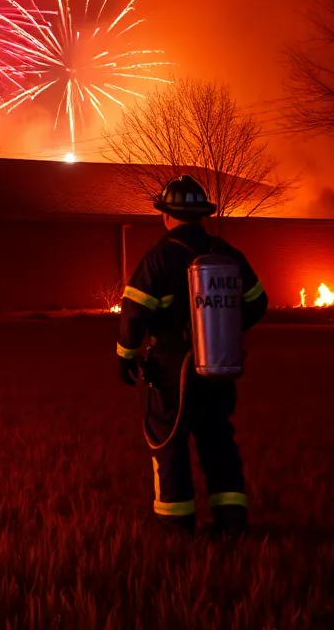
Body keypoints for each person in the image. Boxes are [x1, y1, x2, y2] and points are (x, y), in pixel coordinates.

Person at [116, 175, 268, 536]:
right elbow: (258, 301)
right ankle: (232, 523)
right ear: (202, 214)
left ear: (166, 216)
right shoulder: (226, 253)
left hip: (172, 365)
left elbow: (134, 310)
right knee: (218, 440)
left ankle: (176, 526)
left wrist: (126, 355)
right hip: (218, 362)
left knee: (168, 442)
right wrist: (224, 332)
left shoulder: (159, 257)